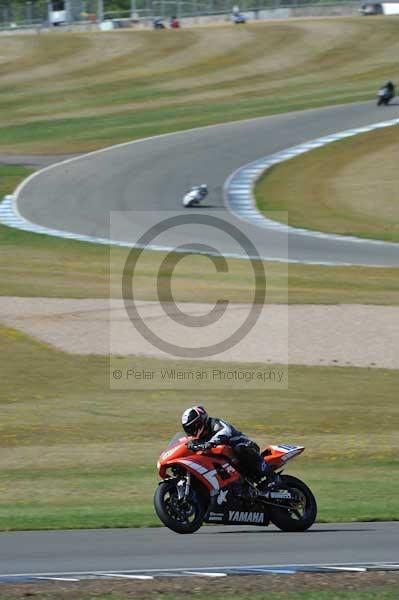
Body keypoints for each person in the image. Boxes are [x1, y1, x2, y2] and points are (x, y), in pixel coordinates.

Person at [181, 406, 279, 487]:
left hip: (246, 447)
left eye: (193, 427)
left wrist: (211, 442)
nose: (191, 431)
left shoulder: (215, 423)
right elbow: (185, 443)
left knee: (240, 449)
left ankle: (272, 476)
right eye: (188, 428)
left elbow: (226, 431)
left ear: (201, 421)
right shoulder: (199, 437)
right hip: (229, 463)